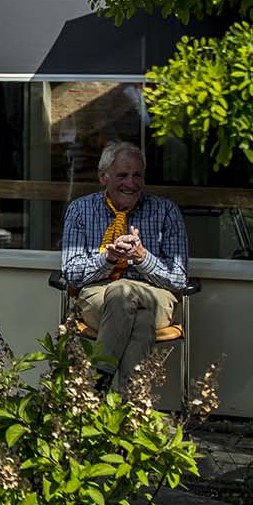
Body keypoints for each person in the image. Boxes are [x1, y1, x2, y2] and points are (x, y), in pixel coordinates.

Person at [59, 141, 189, 394]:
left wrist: (143, 257)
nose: (131, 183)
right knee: (139, 318)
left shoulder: (166, 211)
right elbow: (71, 274)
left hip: (154, 295)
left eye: (137, 175)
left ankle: (96, 386)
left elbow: (179, 279)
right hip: (99, 295)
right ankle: (132, 406)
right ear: (103, 177)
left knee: (125, 291)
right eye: (122, 175)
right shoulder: (80, 210)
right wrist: (108, 258)